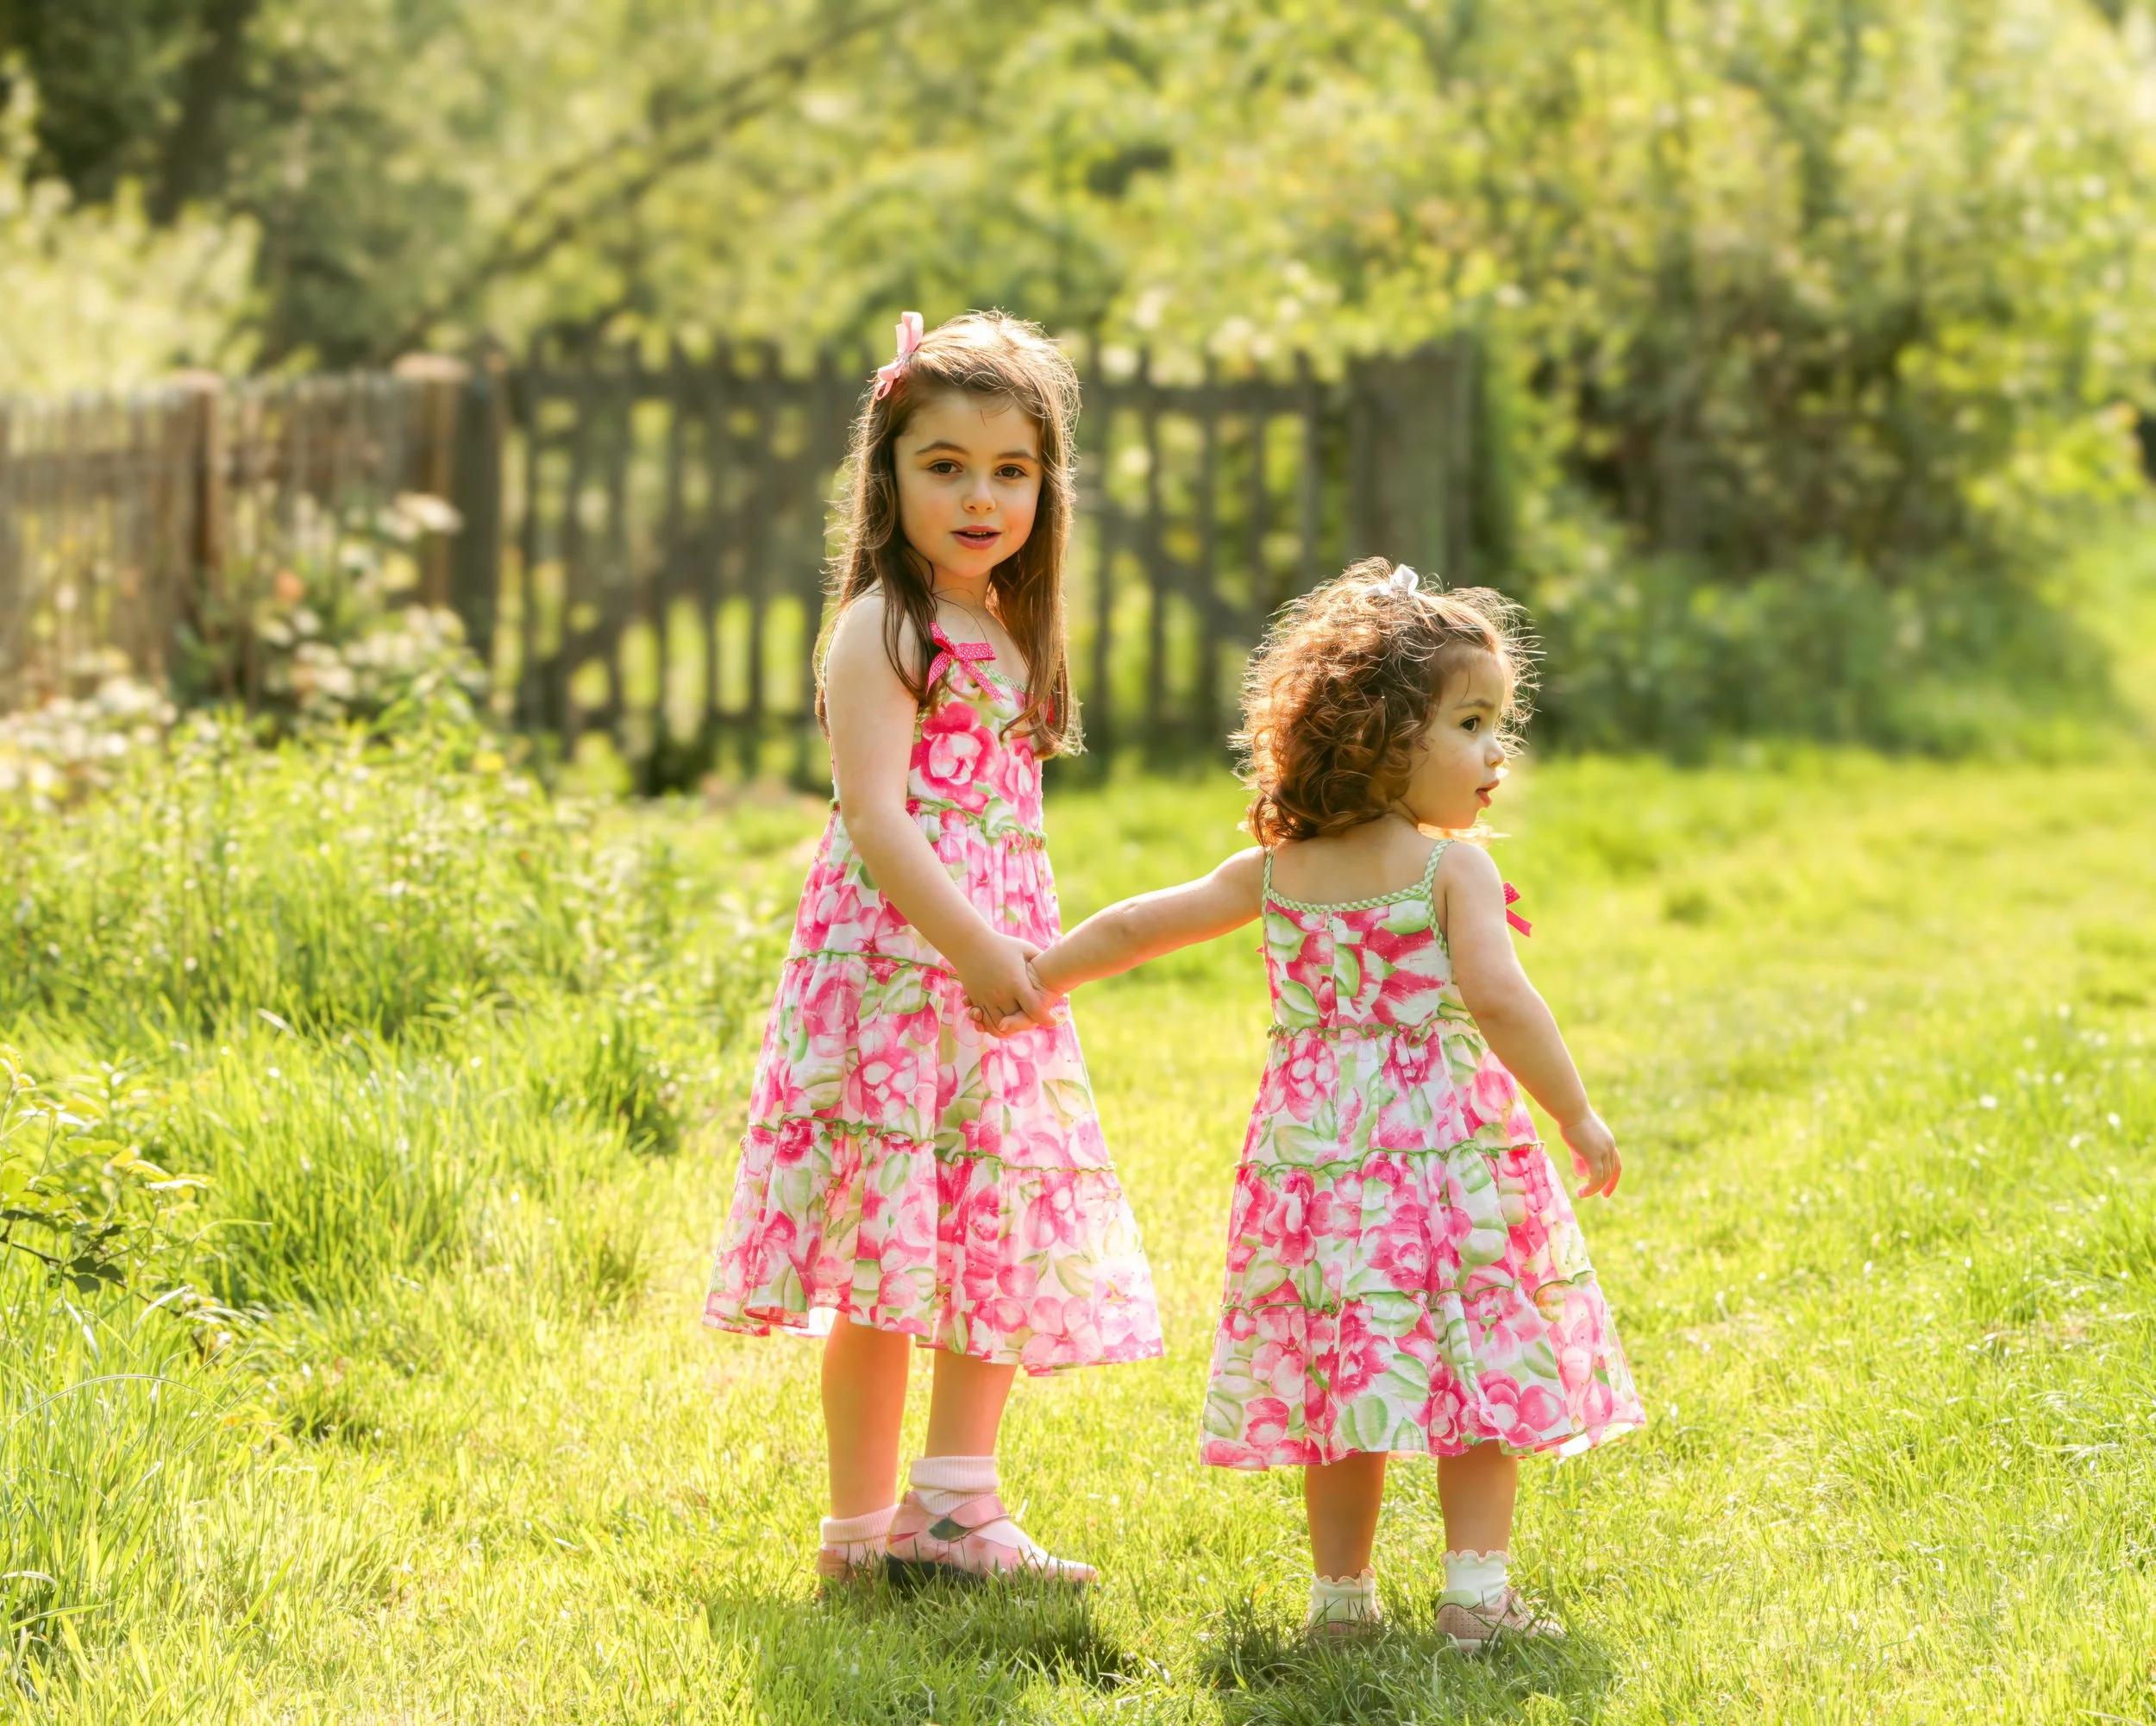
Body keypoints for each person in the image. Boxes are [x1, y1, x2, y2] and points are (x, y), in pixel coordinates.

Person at [982, 560, 1643, 1646]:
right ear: (1383, 737)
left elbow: (1143, 923)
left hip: (1314, 1164)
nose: (1497, 754)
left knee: (1348, 1370)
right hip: (1446, 1156)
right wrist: (1574, 1113)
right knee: (1474, 1353)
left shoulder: (1276, 870)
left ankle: (1342, 1605)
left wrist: (1040, 975)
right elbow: (1502, 998)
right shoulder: (1448, 873)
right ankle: (1476, 1596)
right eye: (1472, 724)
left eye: (1500, 725)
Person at [704, 311, 1163, 1588]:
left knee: (993, 1223)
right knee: (884, 1256)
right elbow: (875, 818)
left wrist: (1005, 952)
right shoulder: (883, 631)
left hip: (991, 971)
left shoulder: (1008, 629)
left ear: (1045, 487)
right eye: (945, 465)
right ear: (888, 475)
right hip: (902, 972)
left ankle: (957, 1506)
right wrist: (971, 945)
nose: (978, 495)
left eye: (1009, 470)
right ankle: (858, 1533)